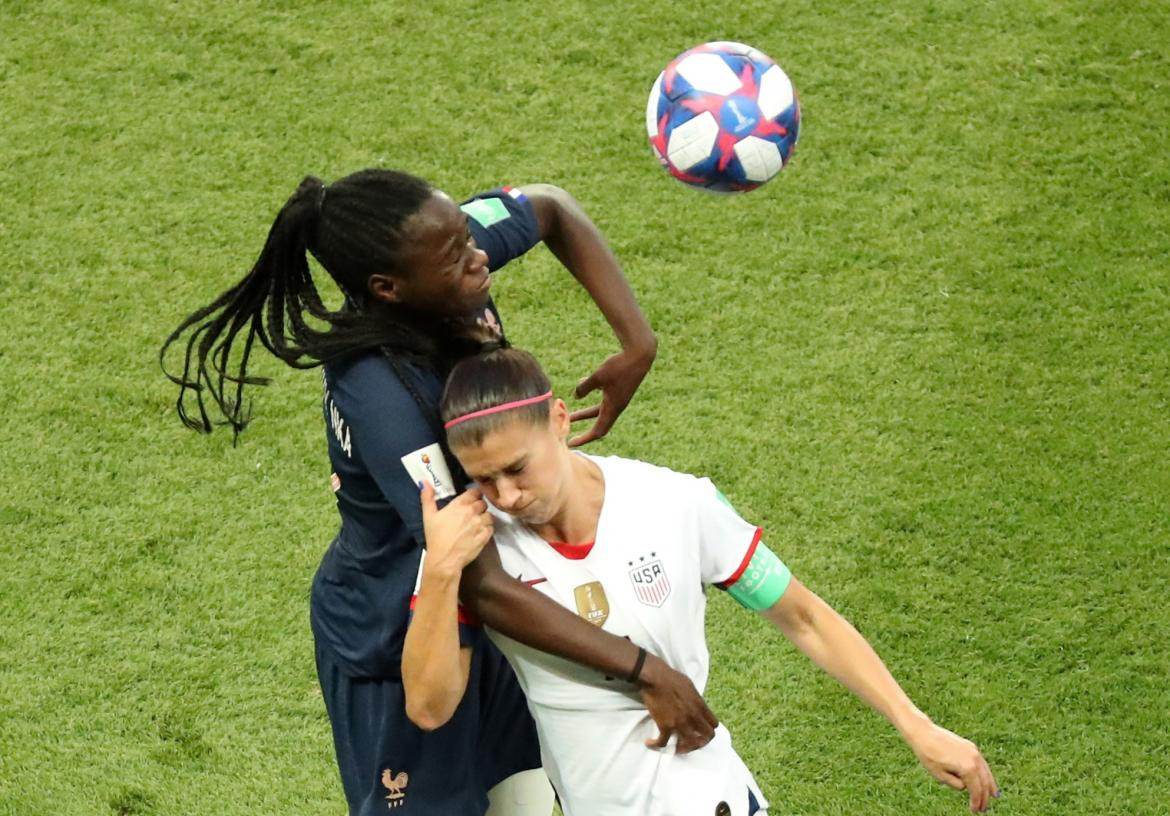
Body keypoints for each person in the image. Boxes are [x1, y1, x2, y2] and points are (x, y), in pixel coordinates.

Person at [159, 170, 719, 816]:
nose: (478, 255)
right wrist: (645, 671)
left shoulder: (444, 248)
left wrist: (637, 340)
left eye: (467, 236)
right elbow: (469, 572)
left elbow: (553, 208)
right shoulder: (378, 391)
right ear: (387, 289)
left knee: (528, 803)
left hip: (510, 618)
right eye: (455, 255)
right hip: (403, 637)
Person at [404, 346, 1002, 816]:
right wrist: (440, 572)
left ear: (559, 419)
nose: (509, 496)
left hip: (705, 799)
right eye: (486, 480)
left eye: (517, 468)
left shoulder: (676, 503)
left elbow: (805, 617)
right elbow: (430, 707)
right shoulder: (478, 550)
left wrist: (916, 725)